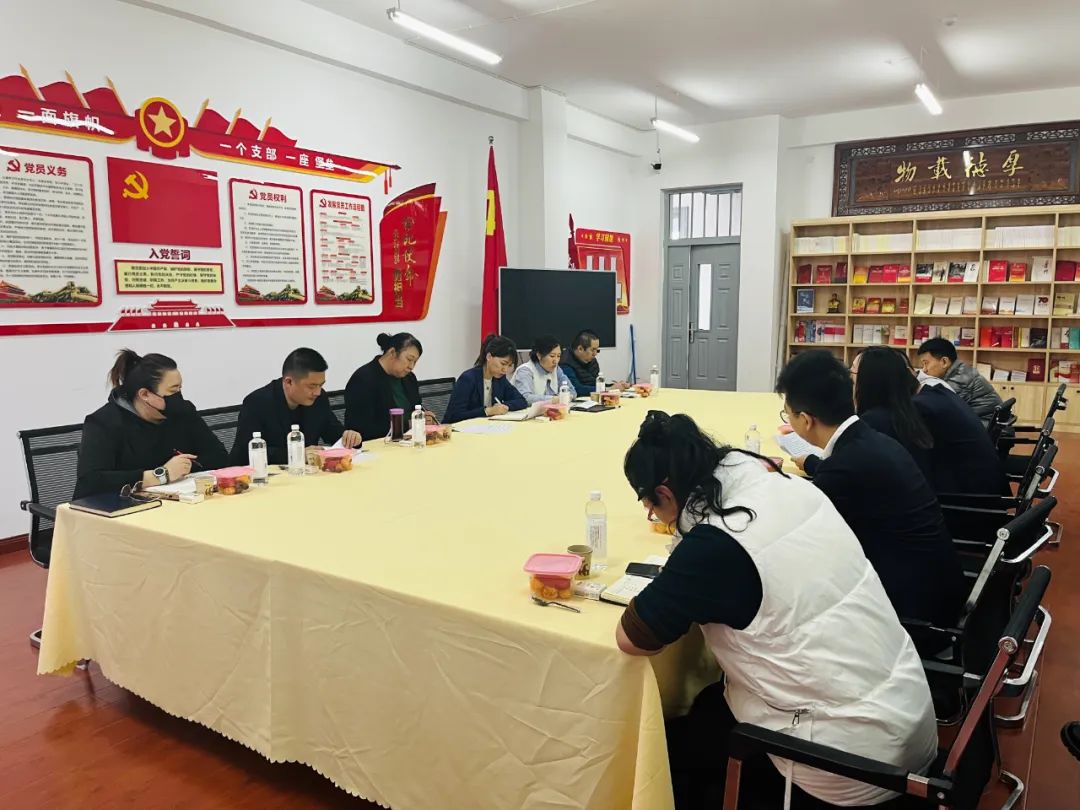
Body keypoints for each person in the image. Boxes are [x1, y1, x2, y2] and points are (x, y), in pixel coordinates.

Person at [616, 410, 936, 809]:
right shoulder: (790, 486)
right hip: (906, 716)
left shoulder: (717, 543)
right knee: (707, 708)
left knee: (664, 754)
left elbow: (631, 639)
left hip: (844, 761)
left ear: (664, 493)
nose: (655, 517)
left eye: (652, 507)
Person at [775, 350, 965, 637]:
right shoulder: (873, 439)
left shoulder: (843, 466)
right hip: (940, 589)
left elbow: (805, 545)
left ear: (805, 419)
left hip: (914, 616)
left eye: (787, 413)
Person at [74, 350, 229, 499]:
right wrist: (160, 475)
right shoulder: (104, 422)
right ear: (145, 394)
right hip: (118, 508)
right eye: (172, 391)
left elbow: (219, 456)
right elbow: (91, 481)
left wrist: (184, 467)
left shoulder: (184, 412)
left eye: (180, 388)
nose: (178, 397)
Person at [854, 348, 1008, 497]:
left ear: (871, 381)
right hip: (985, 489)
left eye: (852, 374)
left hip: (969, 501)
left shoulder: (919, 410)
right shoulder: (935, 392)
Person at [230, 348, 360, 465]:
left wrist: (349, 437)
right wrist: (296, 454)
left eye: (321, 385)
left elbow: (332, 431)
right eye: (312, 386)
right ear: (289, 382)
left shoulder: (319, 399)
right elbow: (245, 454)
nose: (317, 392)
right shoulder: (257, 403)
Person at [344, 332, 423, 441]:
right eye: (409, 359)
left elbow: (416, 407)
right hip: (377, 445)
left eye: (415, 362)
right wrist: (408, 424)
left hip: (408, 441)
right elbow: (362, 428)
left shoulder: (409, 378)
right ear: (392, 353)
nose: (411, 366)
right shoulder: (363, 379)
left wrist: (423, 417)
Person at [443, 334, 528, 423]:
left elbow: (521, 401)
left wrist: (503, 406)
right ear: (489, 357)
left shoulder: (500, 379)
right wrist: (487, 411)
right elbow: (454, 416)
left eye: (509, 365)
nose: (505, 370)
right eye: (503, 363)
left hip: (486, 427)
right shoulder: (468, 379)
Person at [917, 337, 1003, 424]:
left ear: (944, 362)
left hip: (986, 426)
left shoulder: (959, 380)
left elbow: (940, 409)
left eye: (926, 363)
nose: (924, 370)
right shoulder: (959, 370)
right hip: (986, 423)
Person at [510, 335, 577, 404]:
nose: (556, 361)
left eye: (558, 356)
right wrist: (553, 399)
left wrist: (567, 396)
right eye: (552, 356)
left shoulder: (556, 369)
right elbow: (525, 398)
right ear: (539, 355)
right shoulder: (525, 371)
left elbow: (572, 391)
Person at [560, 329, 625, 395]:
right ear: (580, 349)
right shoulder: (565, 363)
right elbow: (576, 389)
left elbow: (595, 384)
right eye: (593, 350)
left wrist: (615, 386)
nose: (595, 354)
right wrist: (608, 389)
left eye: (597, 350)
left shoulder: (592, 360)